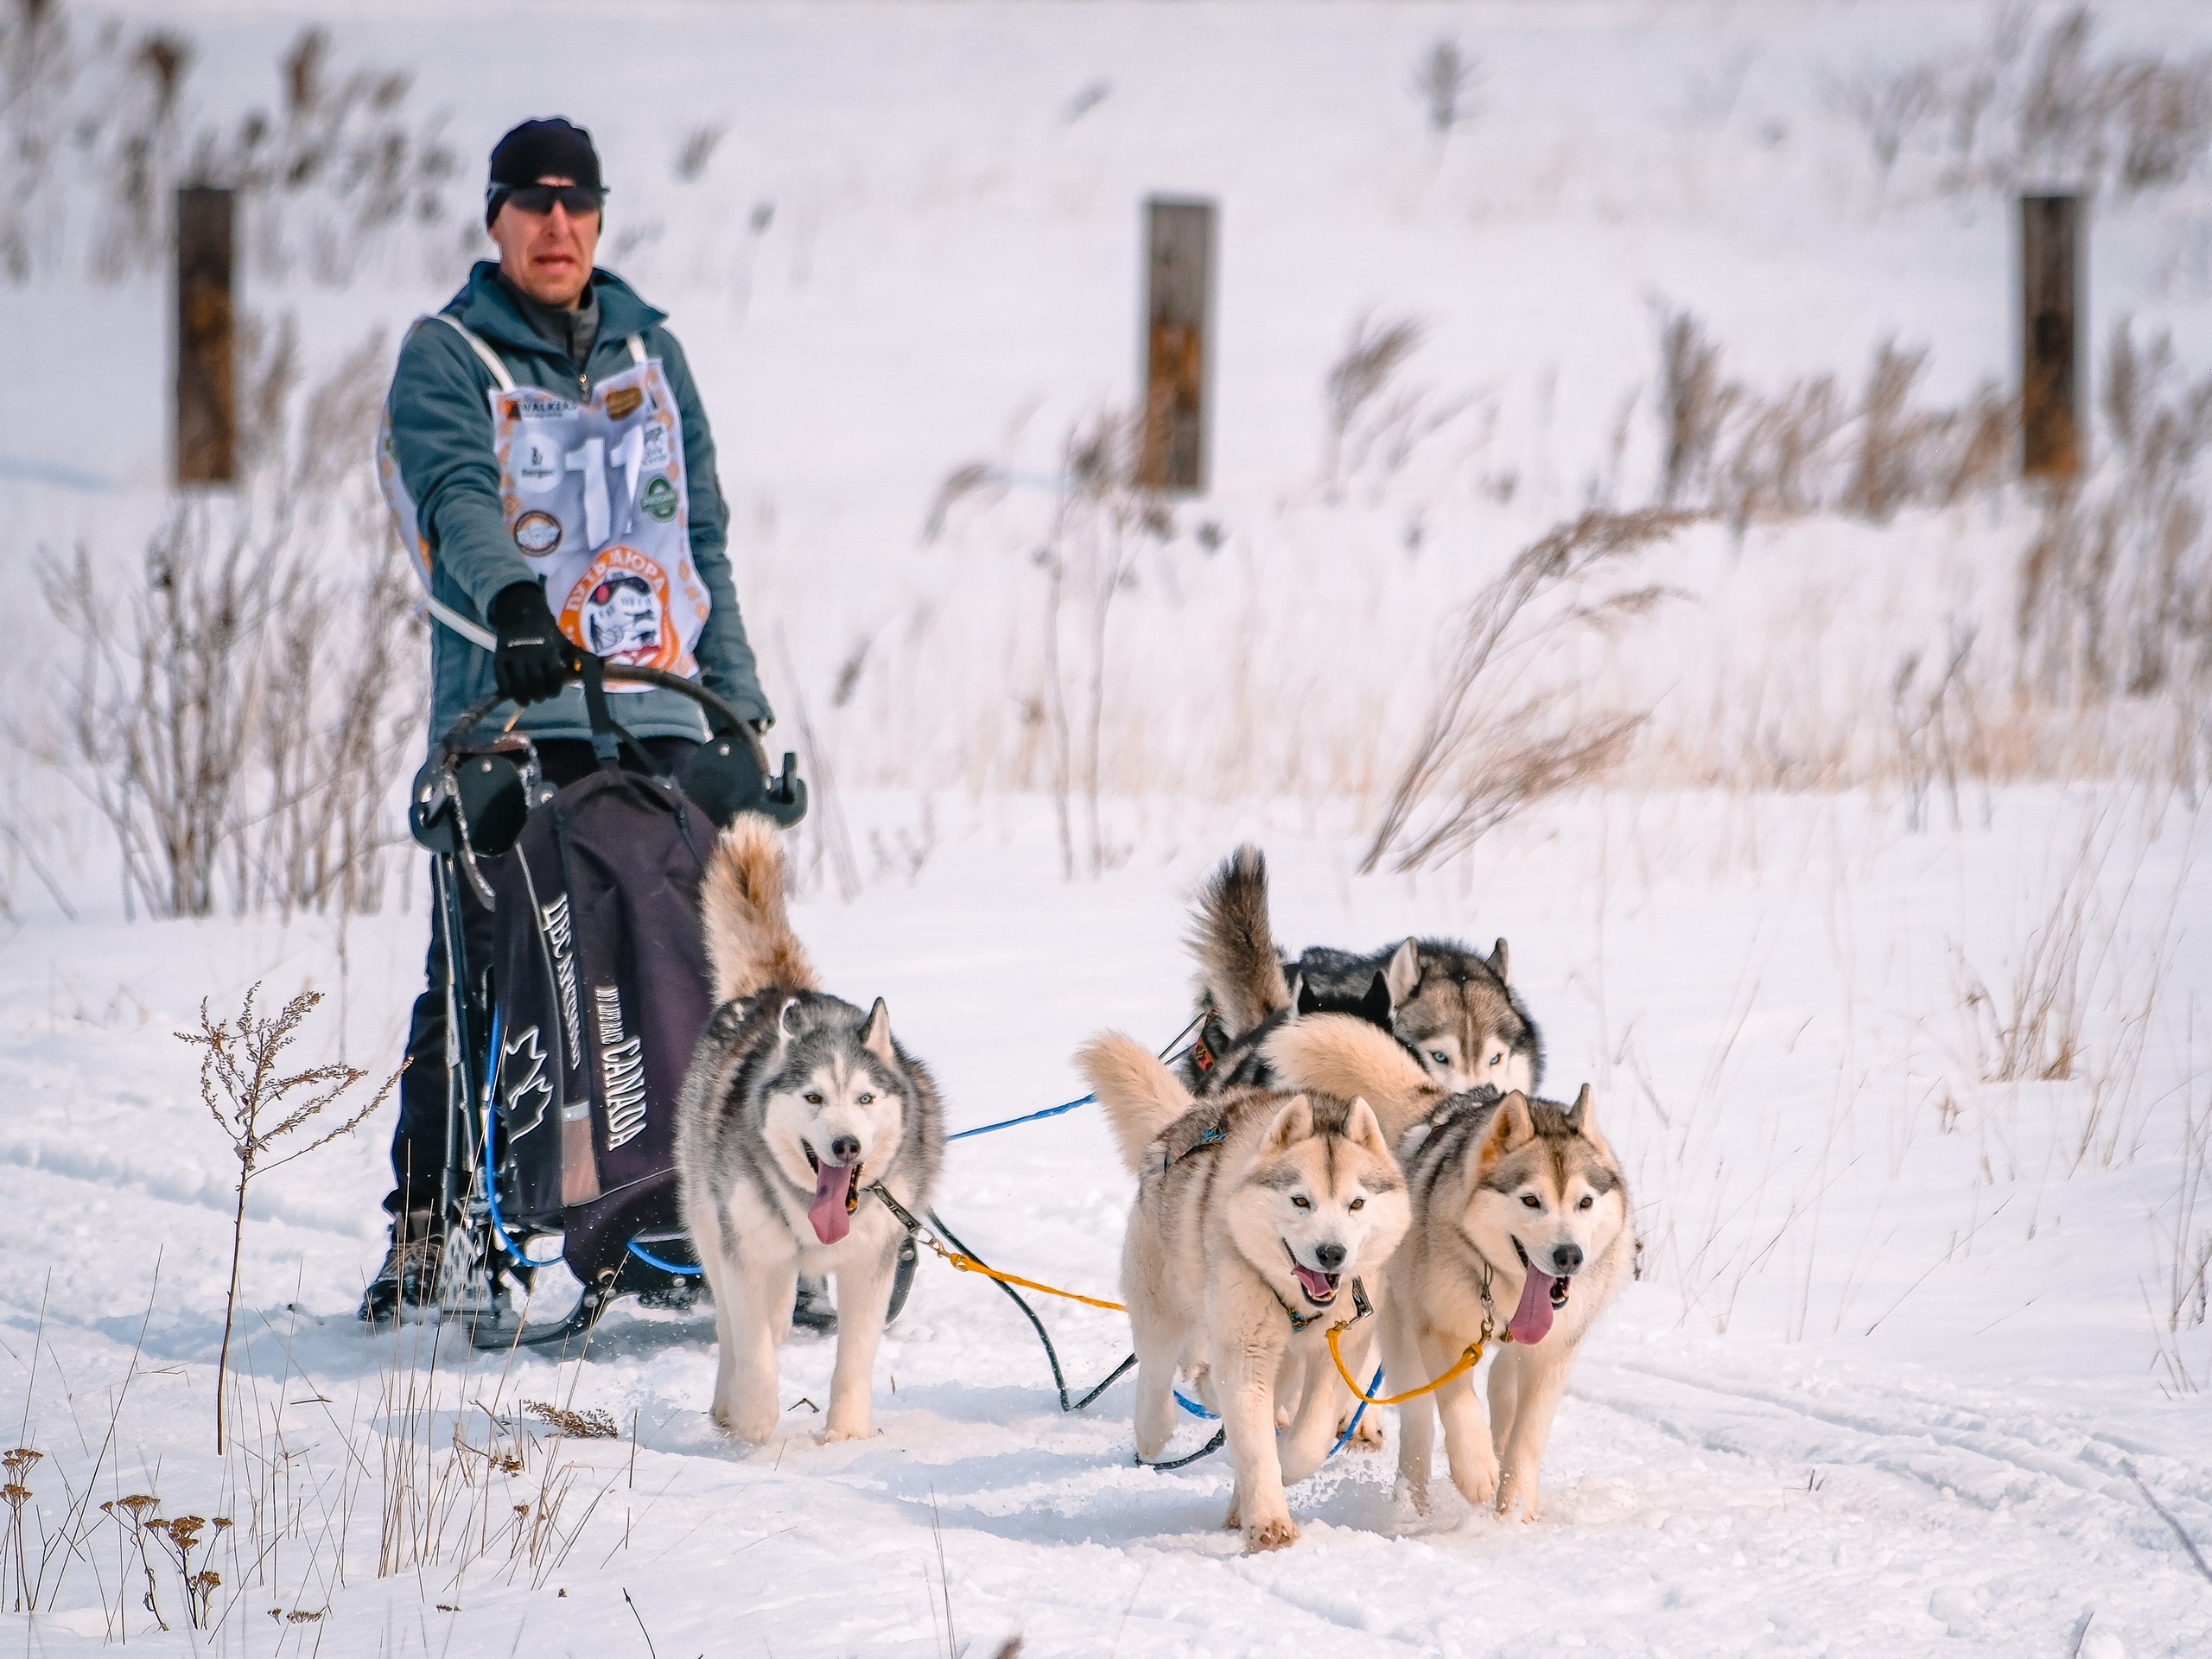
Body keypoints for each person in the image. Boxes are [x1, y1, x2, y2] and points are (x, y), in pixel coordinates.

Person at [363, 118, 773, 1322]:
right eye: (533, 202)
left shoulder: (653, 354)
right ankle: (432, 1226)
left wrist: (741, 711)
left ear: (599, 218)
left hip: (661, 700)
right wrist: (513, 605)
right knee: (485, 963)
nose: (557, 224)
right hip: (512, 703)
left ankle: (688, 1210)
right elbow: (454, 493)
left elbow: (700, 538)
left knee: (706, 952)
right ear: (495, 217)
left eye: (577, 202)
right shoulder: (448, 354)